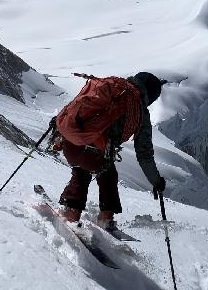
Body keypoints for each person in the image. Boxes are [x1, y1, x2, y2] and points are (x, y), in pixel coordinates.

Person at [53, 72, 166, 231]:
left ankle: (72, 211)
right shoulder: (140, 112)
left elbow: (78, 104)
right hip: (95, 154)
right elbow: (144, 154)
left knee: (81, 171)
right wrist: (156, 181)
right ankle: (106, 219)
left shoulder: (108, 86)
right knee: (107, 174)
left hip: (69, 143)